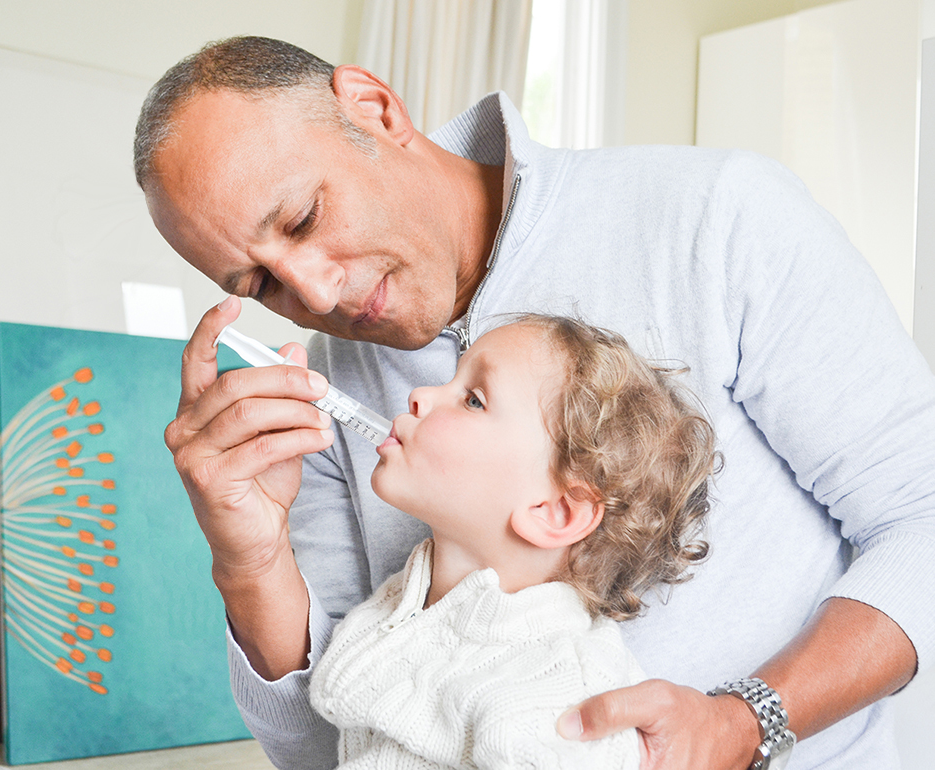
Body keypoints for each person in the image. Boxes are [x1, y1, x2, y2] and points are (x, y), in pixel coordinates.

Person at [134, 36, 935, 770]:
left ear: (375, 110)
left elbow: (922, 514)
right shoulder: (320, 386)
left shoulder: (716, 216)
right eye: (258, 284)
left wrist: (745, 721)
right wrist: (250, 561)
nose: (316, 291)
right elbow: (336, 741)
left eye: (305, 217)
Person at [309, 314, 715, 768]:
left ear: (554, 512)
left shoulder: (555, 698)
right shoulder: (404, 602)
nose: (419, 395)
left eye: (473, 400)